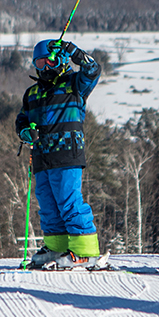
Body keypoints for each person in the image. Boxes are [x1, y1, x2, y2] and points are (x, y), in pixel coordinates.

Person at [16, 39, 107, 270]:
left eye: (50, 60)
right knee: (47, 204)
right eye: (39, 62)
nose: (45, 67)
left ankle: (85, 251)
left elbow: (93, 70)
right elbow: (22, 119)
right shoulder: (32, 93)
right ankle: (56, 246)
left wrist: (76, 53)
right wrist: (25, 131)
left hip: (67, 153)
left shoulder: (74, 84)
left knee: (68, 200)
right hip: (41, 156)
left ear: (61, 60)